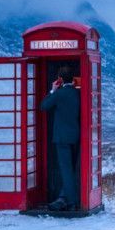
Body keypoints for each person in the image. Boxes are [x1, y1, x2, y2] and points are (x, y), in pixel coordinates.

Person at [39, 64, 82, 211]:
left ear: (60, 79)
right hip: (75, 136)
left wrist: (52, 90)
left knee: (66, 170)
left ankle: (71, 202)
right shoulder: (77, 93)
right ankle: (65, 198)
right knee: (71, 168)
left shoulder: (59, 93)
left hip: (61, 138)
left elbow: (44, 106)